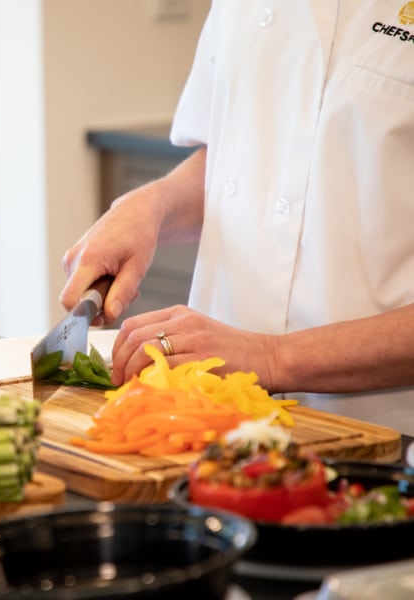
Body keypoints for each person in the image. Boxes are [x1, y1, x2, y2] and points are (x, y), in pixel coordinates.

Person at [60, 2, 414, 435]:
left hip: (382, 436)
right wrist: (153, 204)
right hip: (214, 422)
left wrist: (270, 357)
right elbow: (236, 156)